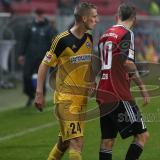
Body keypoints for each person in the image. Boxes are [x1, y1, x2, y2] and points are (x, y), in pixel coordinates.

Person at [34, 2, 99, 160]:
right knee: (76, 142)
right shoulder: (61, 40)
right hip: (66, 99)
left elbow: (88, 63)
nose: (97, 20)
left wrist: (91, 82)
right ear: (84, 18)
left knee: (63, 143)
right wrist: (39, 93)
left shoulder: (89, 38)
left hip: (81, 100)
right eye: (94, 16)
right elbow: (44, 65)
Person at [96, 3, 150, 160]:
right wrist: (143, 88)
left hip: (104, 93)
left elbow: (101, 64)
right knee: (142, 135)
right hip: (119, 94)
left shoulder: (105, 34)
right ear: (134, 18)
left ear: (117, 16)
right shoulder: (127, 33)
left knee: (107, 141)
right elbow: (127, 63)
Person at [18, 8, 55, 106]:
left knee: (40, 79)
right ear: (35, 15)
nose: (40, 16)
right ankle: (30, 94)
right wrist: (21, 54)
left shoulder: (49, 28)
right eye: (38, 15)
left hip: (42, 58)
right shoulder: (29, 26)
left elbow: (53, 42)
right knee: (26, 77)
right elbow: (24, 41)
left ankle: (40, 98)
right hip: (30, 57)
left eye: (41, 14)